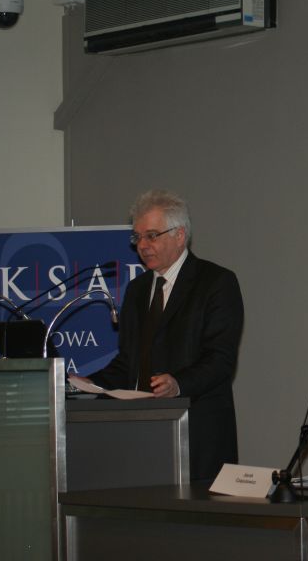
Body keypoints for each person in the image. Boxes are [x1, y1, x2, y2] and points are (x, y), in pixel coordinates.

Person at [85, 189, 245, 481]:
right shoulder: (136, 290)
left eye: (151, 236)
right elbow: (128, 363)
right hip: (142, 436)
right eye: (137, 237)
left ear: (179, 235)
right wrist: (88, 385)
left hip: (197, 434)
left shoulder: (216, 283)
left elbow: (220, 360)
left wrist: (178, 384)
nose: (142, 246)